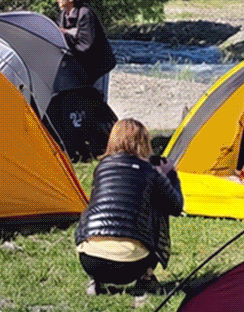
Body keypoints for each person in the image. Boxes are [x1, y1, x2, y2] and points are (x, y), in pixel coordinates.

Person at [75, 118, 184, 296]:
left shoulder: (101, 168)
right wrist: (171, 174)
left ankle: (96, 280)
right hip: (130, 266)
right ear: (144, 143)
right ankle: (146, 277)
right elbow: (176, 207)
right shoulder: (150, 171)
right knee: (158, 205)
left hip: (90, 260)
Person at [55, 0, 117, 96]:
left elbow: (85, 45)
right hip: (84, 67)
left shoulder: (85, 14)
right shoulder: (63, 15)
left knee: (96, 99)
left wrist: (65, 33)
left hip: (99, 65)